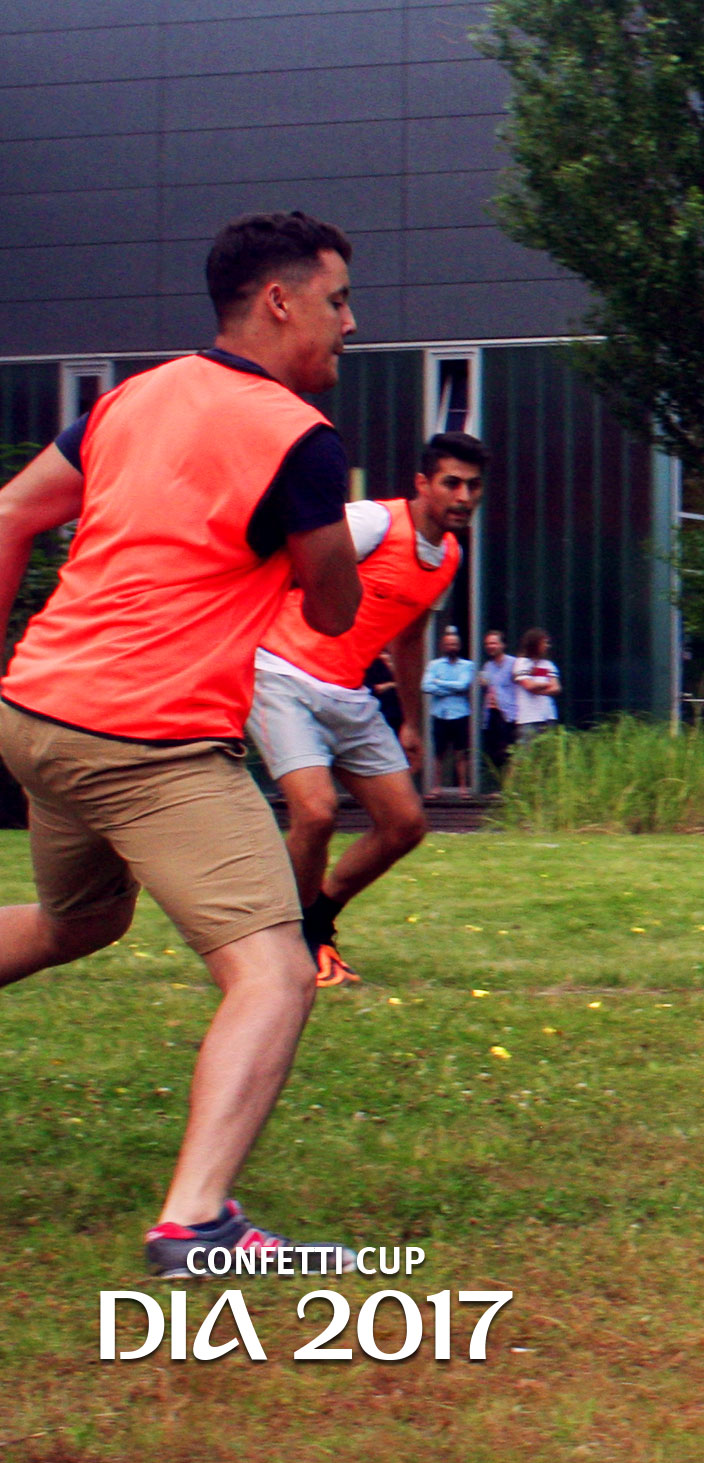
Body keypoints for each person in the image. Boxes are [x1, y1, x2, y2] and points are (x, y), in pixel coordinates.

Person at [0, 211, 366, 1274]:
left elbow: (11, 511)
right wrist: (325, 538)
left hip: (37, 715)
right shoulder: (299, 437)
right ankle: (196, 1223)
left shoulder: (135, 397)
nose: (351, 322)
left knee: (80, 919)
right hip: (146, 741)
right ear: (280, 302)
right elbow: (334, 609)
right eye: (338, 299)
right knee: (276, 971)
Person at [248, 431, 484, 987]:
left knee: (405, 825)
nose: (464, 496)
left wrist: (412, 722)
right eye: (451, 483)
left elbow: (409, 638)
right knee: (316, 814)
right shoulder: (374, 523)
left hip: (348, 692)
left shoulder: (450, 555)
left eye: (474, 486)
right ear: (423, 483)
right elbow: (282, 561)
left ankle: (317, 922)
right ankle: (282, 946)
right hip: (280, 675)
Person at [424, 628, 476, 791]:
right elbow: (425, 686)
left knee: (461, 752)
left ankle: (463, 787)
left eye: (454, 644)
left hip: (460, 714)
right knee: (438, 753)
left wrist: (439, 683)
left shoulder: (468, 666)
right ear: (442, 646)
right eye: (448, 644)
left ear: (459, 646)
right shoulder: (434, 665)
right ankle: (436, 787)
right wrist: (450, 689)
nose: (451, 647)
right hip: (440, 714)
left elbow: (463, 685)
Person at [479, 629, 519, 774]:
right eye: (488, 644)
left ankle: (509, 783)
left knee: (509, 751)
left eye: (494, 643)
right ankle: (498, 783)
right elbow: (484, 685)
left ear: (503, 645)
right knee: (494, 753)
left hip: (508, 714)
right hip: (491, 714)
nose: (490, 646)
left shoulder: (514, 664)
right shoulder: (487, 666)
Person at [512, 628, 561, 741]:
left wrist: (536, 689)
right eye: (544, 643)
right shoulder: (521, 663)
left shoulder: (548, 664)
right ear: (534, 644)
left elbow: (556, 688)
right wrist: (547, 684)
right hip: (528, 719)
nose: (547, 646)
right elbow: (529, 685)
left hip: (548, 717)